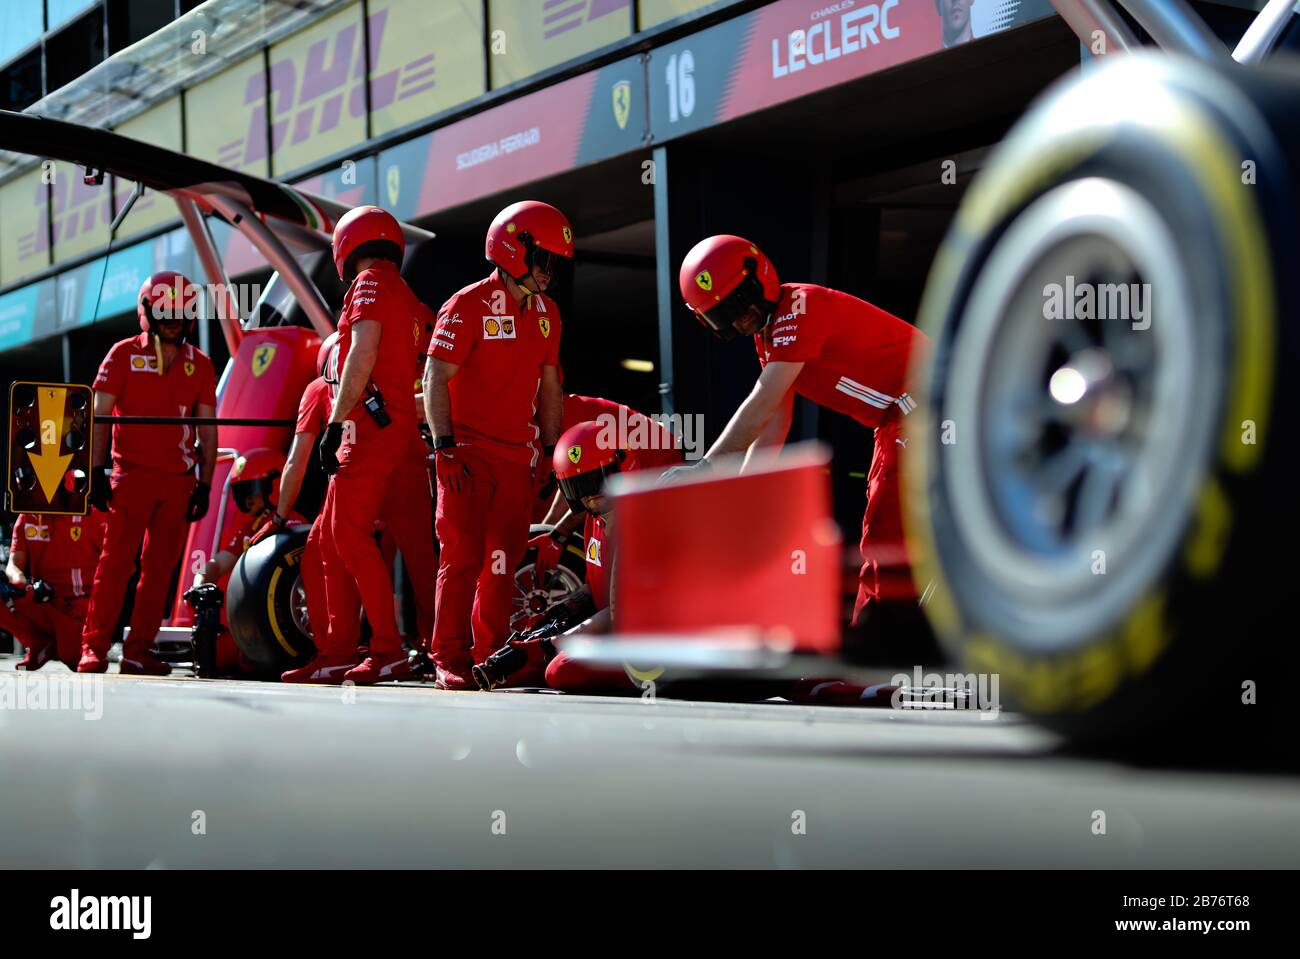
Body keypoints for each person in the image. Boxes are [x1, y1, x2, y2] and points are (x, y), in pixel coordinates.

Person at [668, 235, 926, 627]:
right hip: (907, 414)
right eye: (724, 316)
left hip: (930, 403)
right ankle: (888, 645)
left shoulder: (800, 309)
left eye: (740, 303)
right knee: (893, 527)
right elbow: (775, 420)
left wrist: (707, 468)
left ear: (759, 278)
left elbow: (764, 400)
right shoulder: (769, 335)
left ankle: (880, 654)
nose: (739, 319)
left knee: (885, 530)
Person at [421, 200, 569, 689]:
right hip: (464, 452)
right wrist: (443, 447)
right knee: (460, 557)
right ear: (512, 250)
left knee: (501, 564)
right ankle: (447, 658)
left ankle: (490, 657)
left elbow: (550, 385)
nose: (549, 273)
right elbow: (435, 376)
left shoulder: (549, 314)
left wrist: (552, 452)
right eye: (543, 260)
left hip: (516, 458)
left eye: (555, 263)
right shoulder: (466, 305)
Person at [302, 205, 424, 685]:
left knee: (349, 536)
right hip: (390, 432)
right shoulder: (407, 294)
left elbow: (363, 351)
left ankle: (387, 649)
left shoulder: (370, 283)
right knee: (328, 539)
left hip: (370, 433)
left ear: (345, 246)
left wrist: (333, 422)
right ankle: (336, 651)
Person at [280, 327, 438, 684]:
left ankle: (351, 649)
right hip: (401, 464)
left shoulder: (321, 389)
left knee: (328, 551)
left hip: (362, 468)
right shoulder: (394, 381)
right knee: (420, 562)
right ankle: (435, 648)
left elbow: (297, 461)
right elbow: (435, 396)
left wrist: (278, 515)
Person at [79, 271, 217, 676]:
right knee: (115, 565)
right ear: (147, 312)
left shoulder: (202, 365)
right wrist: (96, 471)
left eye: (181, 312)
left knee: (159, 572)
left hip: (178, 483)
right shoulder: (121, 354)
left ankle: (138, 651)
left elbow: (208, 431)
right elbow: (98, 418)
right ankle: (94, 649)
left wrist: (205, 484)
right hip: (129, 477)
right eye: (165, 311)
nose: (173, 319)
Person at [530, 394, 682, 582]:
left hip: (656, 472)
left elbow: (590, 487)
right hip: (620, 466)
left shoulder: (567, 421)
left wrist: (557, 533)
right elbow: (572, 482)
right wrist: (549, 529)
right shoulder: (562, 417)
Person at [182, 448, 304, 676]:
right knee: (209, 655)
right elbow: (218, 563)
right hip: (254, 625)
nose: (246, 498)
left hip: (286, 626)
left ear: (274, 484)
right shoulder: (251, 528)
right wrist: (200, 584)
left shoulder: (296, 525)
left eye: (251, 489)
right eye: (241, 491)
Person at [1, 512, 106, 670]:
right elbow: (13, 565)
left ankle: (58, 644)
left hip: (78, 606)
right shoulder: (27, 516)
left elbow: (119, 566)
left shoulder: (90, 513)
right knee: (7, 591)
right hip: (42, 597)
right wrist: (20, 584)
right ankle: (39, 643)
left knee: (72, 657)